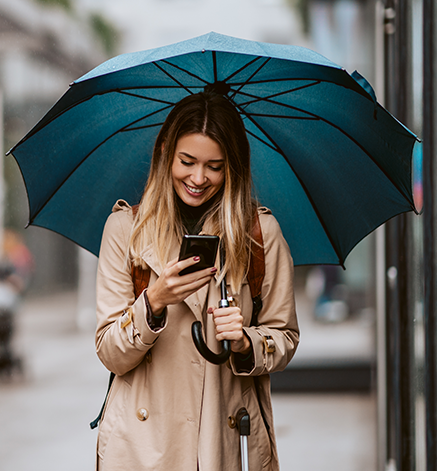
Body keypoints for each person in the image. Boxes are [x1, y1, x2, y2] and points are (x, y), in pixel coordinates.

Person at [95, 90, 299, 471]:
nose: (198, 178)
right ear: (164, 155)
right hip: (142, 450)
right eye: (187, 161)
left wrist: (244, 340)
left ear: (233, 167)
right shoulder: (125, 230)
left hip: (223, 442)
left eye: (215, 166)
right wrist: (152, 302)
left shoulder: (260, 234)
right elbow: (109, 351)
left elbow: (284, 338)